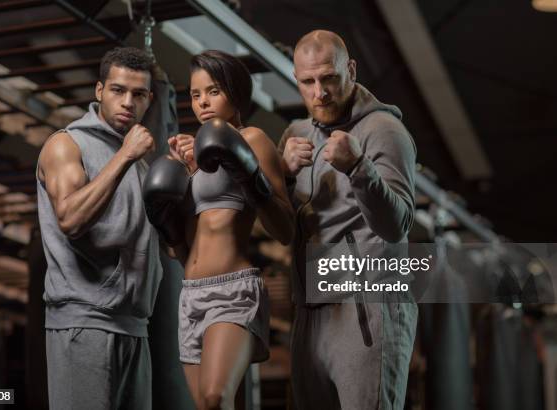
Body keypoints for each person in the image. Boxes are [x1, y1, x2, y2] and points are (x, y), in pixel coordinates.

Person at [143, 50, 294, 410]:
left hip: (233, 291)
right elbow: (181, 252)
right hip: (191, 293)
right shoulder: (193, 156)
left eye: (213, 91)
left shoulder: (253, 140)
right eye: (195, 94)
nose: (203, 102)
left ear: (236, 92)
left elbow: (286, 230)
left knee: (215, 399)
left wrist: (252, 179)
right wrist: (169, 226)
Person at [279, 30, 418, 409]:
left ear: (350, 70)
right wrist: (284, 176)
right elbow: (279, 228)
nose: (319, 92)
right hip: (311, 313)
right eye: (308, 81)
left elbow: (397, 225)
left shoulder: (385, 131)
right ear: (297, 80)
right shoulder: (295, 135)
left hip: (367, 308)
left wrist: (359, 166)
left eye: (329, 78)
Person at [36, 47, 162, 410]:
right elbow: (71, 219)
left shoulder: (140, 164)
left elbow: (165, 248)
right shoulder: (67, 144)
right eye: (118, 90)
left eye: (138, 94)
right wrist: (124, 156)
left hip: (135, 326)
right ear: (99, 91)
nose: (128, 102)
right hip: (84, 321)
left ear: (150, 99)